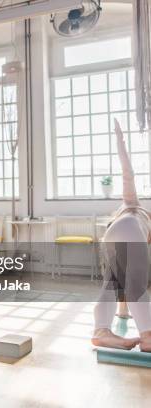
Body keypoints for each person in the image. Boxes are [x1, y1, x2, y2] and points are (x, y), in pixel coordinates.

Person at [92, 119, 151, 352]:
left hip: (112, 235)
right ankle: (147, 335)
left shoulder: (131, 213)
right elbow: (128, 173)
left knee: (112, 284)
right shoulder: (135, 206)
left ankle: (101, 331)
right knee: (135, 283)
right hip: (127, 228)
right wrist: (120, 142)